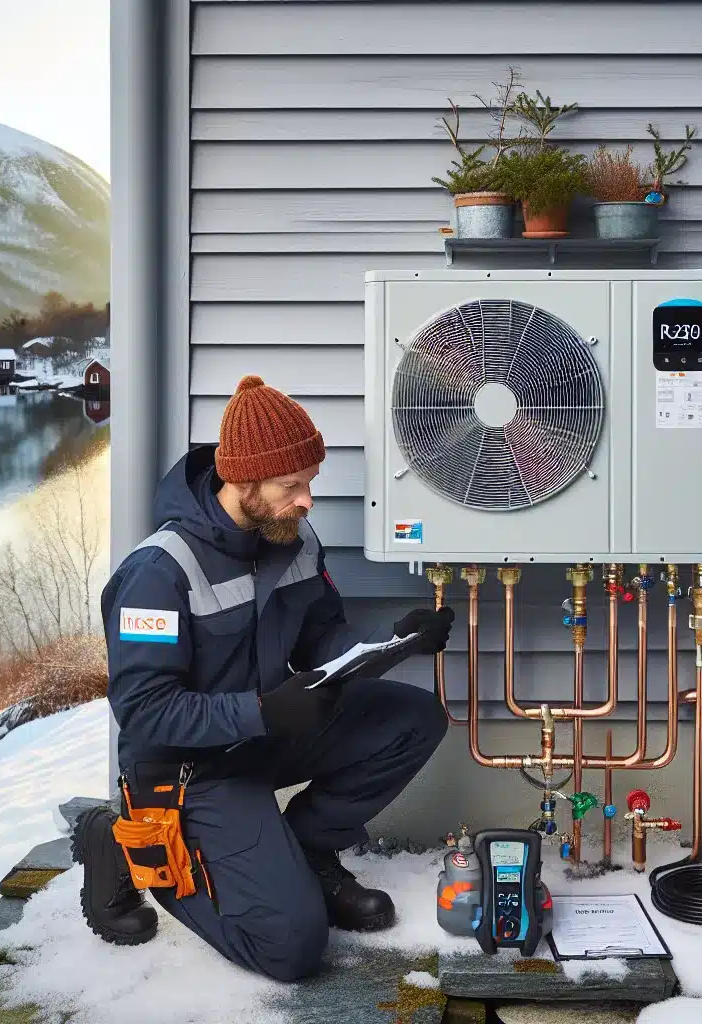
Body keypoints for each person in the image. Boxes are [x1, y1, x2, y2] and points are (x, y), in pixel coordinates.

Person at [72, 373, 454, 982]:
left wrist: (395, 643)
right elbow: (144, 712)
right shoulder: (156, 574)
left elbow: (323, 640)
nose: (306, 500)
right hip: (188, 771)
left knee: (414, 718)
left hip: (264, 735)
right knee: (291, 949)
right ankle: (131, 850)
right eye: (291, 486)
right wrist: (261, 712)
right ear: (242, 481)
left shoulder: (291, 540)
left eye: (309, 484)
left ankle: (307, 850)